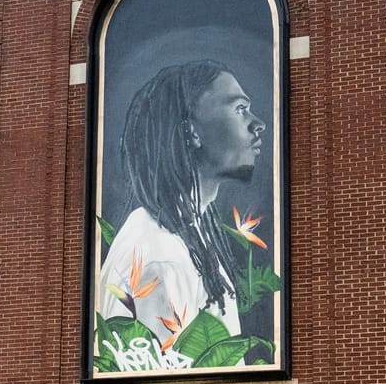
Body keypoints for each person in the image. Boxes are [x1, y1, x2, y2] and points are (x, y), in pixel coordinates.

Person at [96, 60, 267, 356]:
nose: (257, 123)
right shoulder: (161, 261)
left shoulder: (187, 233)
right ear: (192, 131)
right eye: (240, 109)